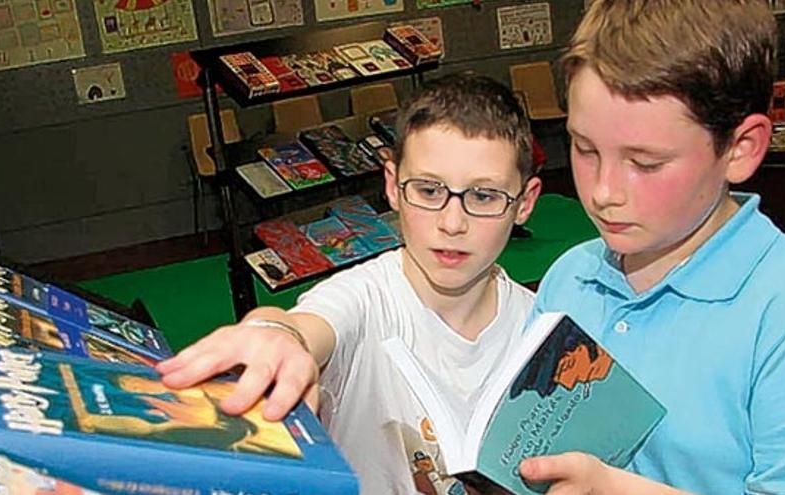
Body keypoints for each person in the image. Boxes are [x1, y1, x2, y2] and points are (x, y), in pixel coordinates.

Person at [518, 1, 785, 494]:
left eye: (646, 162)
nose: (604, 190)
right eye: (585, 149)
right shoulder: (570, 277)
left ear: (740, 149)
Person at [156, 73, 543, 494]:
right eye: (429, 190)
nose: (452, 223)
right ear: (393, 187)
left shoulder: (539, 325)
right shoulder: (364, 298)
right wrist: (276, 333)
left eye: (483, 196)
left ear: (524, 202)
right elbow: (309, 325)